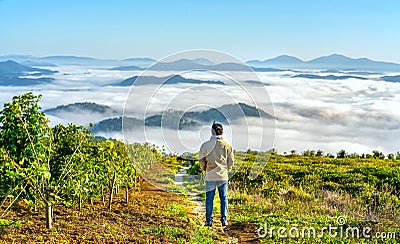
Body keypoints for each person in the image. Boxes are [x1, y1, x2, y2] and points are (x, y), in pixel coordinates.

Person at [199, 121, 234, 227]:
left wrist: (205, 168)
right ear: (222, 132)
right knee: (223, 198)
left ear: (211, 132)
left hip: (210, 175)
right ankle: (224, 220)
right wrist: (227, 169)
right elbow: (231, 161)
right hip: (223, 176)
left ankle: (209, 221)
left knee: (209, 199)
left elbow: (201, 160)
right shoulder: (227, 145)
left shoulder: (205, 145)